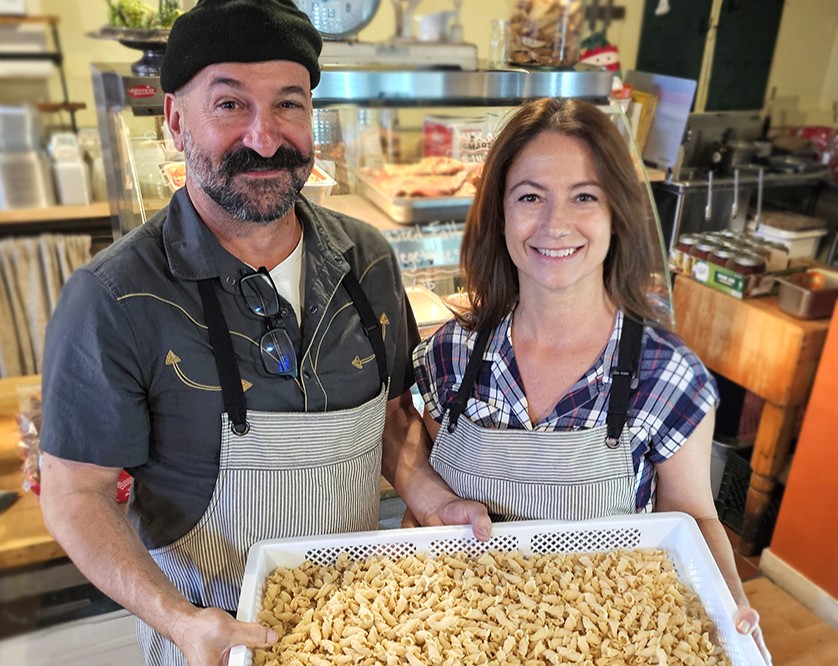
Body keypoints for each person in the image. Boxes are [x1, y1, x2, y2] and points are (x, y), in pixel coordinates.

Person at [38, 1, 485, 663]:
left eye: (288, 104)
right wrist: (180, 621)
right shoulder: (114, 297)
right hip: (212, 637)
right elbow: (77, 490)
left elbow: (393, 421)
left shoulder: (368, 259)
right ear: (174, 120)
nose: (266, 137)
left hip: (365, 626)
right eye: (229, 105)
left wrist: (435, 500)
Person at [402, 98, 771, 663]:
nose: (555, 224)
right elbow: (418, 462)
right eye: (529, 197)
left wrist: (728, 607)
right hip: (462, 634)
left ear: (616, 213)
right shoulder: (452, 354)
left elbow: (693, 516)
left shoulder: (666, 376)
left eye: (584, 197)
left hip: (600, 642)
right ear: (498, 213)